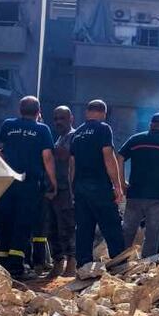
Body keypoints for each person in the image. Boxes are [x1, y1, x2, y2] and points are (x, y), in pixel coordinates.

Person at [0, 96, 57, 279]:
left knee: (5, 223)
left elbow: (1, 152)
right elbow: (47, 157)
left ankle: (0, 266)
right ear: (38, 112)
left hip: (7, 182)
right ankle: (16, 268)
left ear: (20, 110)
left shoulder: (7, 125)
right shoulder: (42, 129)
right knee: (22, 225)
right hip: (29, 185)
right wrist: (53, 182)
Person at [69, 100, 125, 269]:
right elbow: (108, 156)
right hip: (99, 186)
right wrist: (117, 186)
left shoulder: (76, 133)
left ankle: (83, 265)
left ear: (87, 112)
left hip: (80, 187)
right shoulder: (103, 128)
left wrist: (73, 189)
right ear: (104, 113)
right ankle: (120, 265)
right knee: (111, 225)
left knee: (84, 228)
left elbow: (72, 165)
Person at [118, 113, 159, 257]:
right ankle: (147, 267)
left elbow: (120, 157)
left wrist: (121, 182)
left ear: (151, 124)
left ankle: (119, 262)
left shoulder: (136, 139)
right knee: (153, 234)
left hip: (135, 194)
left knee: (128, 230)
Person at [44, 106, 77, 277]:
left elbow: (68, 159)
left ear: (71, 118)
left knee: (67, 227)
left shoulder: (74, 136)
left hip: (66, 190)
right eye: (56, 118)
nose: (58, 122)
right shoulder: (59, 138)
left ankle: (71, 263)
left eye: (62, 118)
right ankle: (57, 263)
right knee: (53, 228)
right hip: (54, 191)